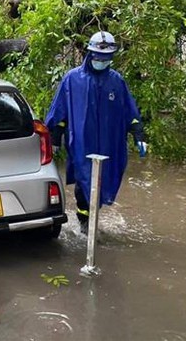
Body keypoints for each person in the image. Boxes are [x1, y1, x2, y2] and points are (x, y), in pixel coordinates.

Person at [45, 31, 147, 233]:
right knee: (84, 184)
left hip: (109, 144)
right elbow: (60, 112)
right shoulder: (72, 79)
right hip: (83, 144)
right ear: (90, 54)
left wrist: (139, 135)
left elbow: (130, 111)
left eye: (106, 58)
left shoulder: (116, 81)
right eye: (99, 57)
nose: (102, 61)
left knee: (104, 183)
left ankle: (94, 218)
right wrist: (54, 139)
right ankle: (85, 224)